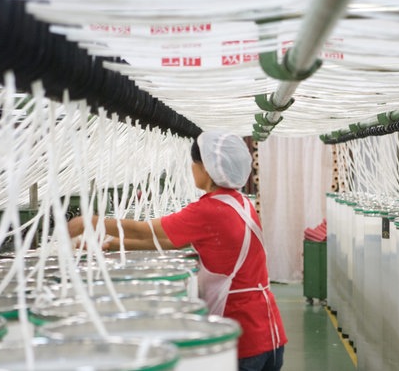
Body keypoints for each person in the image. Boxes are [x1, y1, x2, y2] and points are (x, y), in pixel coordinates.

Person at [67, 131, 287, 371]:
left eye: (194, 163)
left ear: (207, 168)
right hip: (269, 330)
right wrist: (113, 245)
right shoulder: (240, 202)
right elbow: (173, 241)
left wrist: (89, 222)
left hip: (243, 336)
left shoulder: (209, 210)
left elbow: (146, 231)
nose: (191, 168)